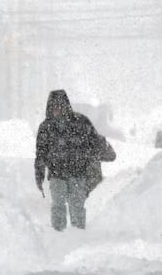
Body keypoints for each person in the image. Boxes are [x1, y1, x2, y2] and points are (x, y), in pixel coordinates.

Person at [34, 89, 116, 231]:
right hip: (56, 174)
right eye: (54, 106)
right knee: (58, 204)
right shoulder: (45, 127)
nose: (57, 109)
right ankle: (58, 233)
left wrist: (104, 151)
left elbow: (94, 141)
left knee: (77, 205)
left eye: (60, 106)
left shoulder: (81, 122)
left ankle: (78, 233)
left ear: (66, 106)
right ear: (49, 107)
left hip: (78, 174)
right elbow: (41, 154)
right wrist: (39, 175)